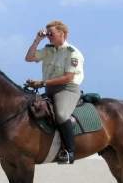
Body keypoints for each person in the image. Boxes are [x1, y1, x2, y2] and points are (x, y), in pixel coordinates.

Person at [24, 20, 84, 164]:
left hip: (67, 89)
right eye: (47, 34)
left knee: (62, 115)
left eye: (51, 34)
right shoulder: (48, 49)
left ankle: (70, 152)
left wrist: (42, 82)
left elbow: (68, 77)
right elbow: (29, 58)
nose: (48, 36)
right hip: (49, 89)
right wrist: (37, 40)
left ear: (61, 33)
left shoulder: (72, 53)